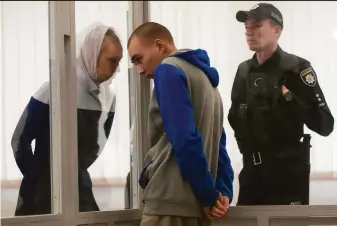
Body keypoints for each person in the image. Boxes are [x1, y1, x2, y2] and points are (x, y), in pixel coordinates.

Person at [127, 22, 234, 226]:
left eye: (138, 59)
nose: (140, 70)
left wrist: (209, 196)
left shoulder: (168, 70)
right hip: (196, 208)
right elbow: (219, 146)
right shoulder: (209, 82)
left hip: (169, 204)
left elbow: (185, 139)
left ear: (159, 46)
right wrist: (221, 193)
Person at [11, 22, 122, 215]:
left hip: (80, 189)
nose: (117, 69)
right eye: (112, 60)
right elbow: (20, 140)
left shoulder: (109, 98)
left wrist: (74, 174)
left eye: (119, 61)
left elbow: (94, 149)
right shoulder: (53, 90)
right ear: (93, 54)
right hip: (40, 194)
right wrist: (38, 176)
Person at [229, 3, 334, 206]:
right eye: (246, 28)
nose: (249, 32)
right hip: (252, 175)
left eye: (257, 25)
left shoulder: (297, 68)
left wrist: (290, 99)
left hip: (287, 178)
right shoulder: (243, 71)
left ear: (277, 30)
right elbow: (236, 119)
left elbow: (325, 124)